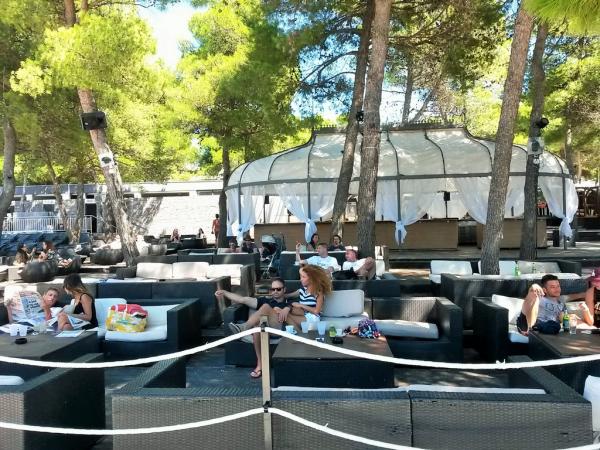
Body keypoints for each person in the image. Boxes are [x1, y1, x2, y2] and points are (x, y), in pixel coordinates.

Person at [218, 278, 291, 378]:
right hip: (265, 328)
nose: (275, 291)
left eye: (278, 289)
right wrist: (224, 292)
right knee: (257, 327)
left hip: (279, 329)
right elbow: (242, 299)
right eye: (272, 289)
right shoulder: (265, 300)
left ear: (284, 289)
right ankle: (259, 364)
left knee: (265, 307)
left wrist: (287, 308)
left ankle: (244, 327)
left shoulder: (289, 303)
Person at [517, 274, 588, 335]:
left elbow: (574, 296)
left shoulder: (561, 303)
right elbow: (531, 293)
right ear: (544, 290)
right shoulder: (540, 298)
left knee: (572, 317)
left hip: (551, 328)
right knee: (534, 295)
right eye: (553, 287)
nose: (557, 289)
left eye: (558, 286)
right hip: (533, 324)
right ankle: (530, 330)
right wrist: (534, 286)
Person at [284, 265, 332, 330]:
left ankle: (298, 334)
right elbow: (290, 295)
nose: (301, 279)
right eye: (300, 276)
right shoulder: (303, 289)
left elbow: (317, 311)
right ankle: (298, 333)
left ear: (312, 279)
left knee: (285, 316)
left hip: (313, 318)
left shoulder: (318, 292)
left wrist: (301, 305)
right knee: (284, 314)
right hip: (303, 315)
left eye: (303, 277)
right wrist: (279, 294)